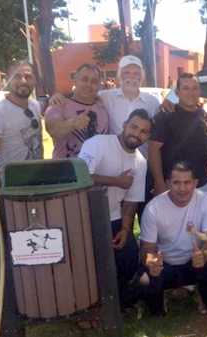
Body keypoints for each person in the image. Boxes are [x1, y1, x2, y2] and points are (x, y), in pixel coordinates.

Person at [77, 108, 151, 307]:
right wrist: (115, 181)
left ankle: (114, 304)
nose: (137, 133)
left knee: (128, 259)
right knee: (88, 264)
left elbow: (131, 201)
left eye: (143, 131)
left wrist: (126, 230)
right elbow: (81, 176)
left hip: (114, 216)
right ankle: (87, 305)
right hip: (83, 216)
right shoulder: (98, 144)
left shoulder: (140, 162)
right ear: (125, 124)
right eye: (134, 127)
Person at [139, 162, 207, 316]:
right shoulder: (153, 207)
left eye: (187, 182)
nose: (182, 188)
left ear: (195, 183)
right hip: (164, 266)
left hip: (194, 263)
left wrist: (204, 255)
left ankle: (201, 294)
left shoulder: (206, 200)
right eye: (176, 183)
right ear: (168, 183)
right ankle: (163, 298)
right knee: (145, 281)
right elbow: (147, 248)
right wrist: (151, 261)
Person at [50, 55, 160, 158]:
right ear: (120, 76)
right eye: (127, 73)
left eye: (136, 73)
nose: (132, 77)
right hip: (111, 162)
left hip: (142, 161)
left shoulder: (153, 102)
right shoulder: (106, 97)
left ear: (142, 77)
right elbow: (84, 94)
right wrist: (58, 96)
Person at [0, 60, 43, 189]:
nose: (23, 81)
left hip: (40, 183)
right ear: (7, 80)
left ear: (35, 80)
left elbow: (49, 104)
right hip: (12, 190)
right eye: (17, 76)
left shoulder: (35, 106)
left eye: (28, 77)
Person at [149, 73, 207, 196]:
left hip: (203, 184)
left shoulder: (203, 114)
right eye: (186, 88)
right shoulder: (166, 116)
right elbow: (153, 149)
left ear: (199, 91)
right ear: (177, 92)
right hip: (176, 186)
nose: (191, 92)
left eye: (195, 88)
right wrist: (159, 182)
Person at [45, 63, 109, 158]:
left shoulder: (103, 110)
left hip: (96, 171)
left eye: (94, 81)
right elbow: (52, 130)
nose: (88, 85)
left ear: (99, 85)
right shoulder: (59, 105)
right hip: (66, 170)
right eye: (84, 79)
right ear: (75, 81)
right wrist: (73, 123)